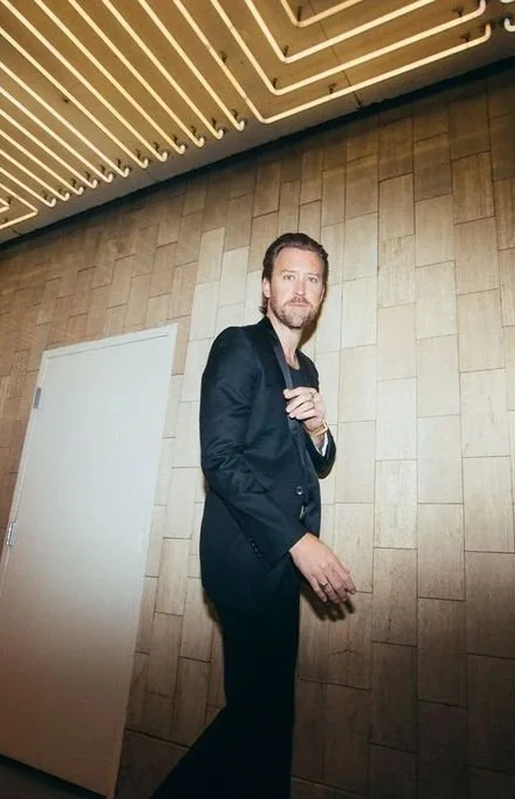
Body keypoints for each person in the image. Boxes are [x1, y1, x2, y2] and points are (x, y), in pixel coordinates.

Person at [151, 233, 357, 798]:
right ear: (267, 288)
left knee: (266, 712)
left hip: (281, 568)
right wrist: (299, 541)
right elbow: (220, 459)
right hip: (244, 560)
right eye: (289, 276)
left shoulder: (307, 367)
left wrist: (319, 428)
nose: (301, 288)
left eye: (313, 279)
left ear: (322, 295)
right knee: (259, 714)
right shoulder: (238, 346)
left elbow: (318, 461)